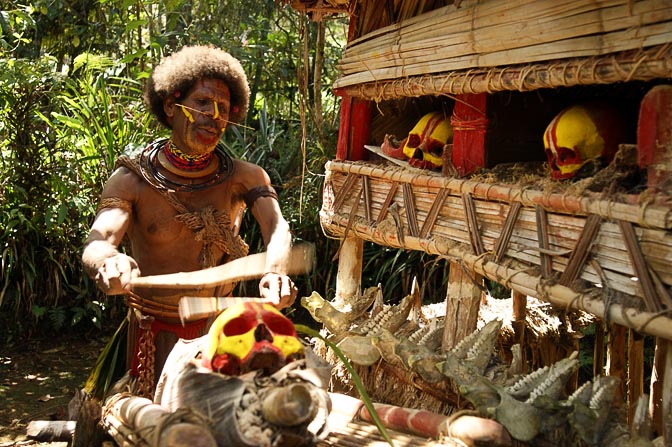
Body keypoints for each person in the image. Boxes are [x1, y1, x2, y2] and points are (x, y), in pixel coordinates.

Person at [81, 45, 297, 397]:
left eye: (223, 109)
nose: (213, 116)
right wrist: (107, 262)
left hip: (220, 330)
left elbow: (277, 227)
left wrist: (276, 270)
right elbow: (100, 238)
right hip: (152, 336)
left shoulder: (245, 178)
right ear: (171, 105)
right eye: (202, 103)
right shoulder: (133, 179)